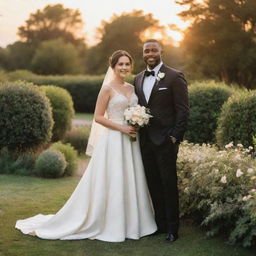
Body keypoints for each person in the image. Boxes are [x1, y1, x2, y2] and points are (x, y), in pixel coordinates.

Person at [15, 50, 157, 242]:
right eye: (120, 64)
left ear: (131, 66)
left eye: (127, 64)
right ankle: (109, 223)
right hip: (114, 140)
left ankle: (133, 223)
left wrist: (137, 121)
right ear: (113, 67)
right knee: (112, 178)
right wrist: (121, 128)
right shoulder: (107, 88)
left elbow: (135, 110)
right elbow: (98, 117)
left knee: (130, 177)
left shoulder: (132, 89)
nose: (123, 67)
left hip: (131, 141)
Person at [134, 39, 189, 242]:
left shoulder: (175, 76)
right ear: (143, 53)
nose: (150, 53)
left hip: (166, 141)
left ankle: (173, 229)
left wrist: (175, 137)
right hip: (145, 141)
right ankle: (160, 225)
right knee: (153, 184)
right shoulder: (138, 78)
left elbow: (183, 110)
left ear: (161, 52)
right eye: (146, 50)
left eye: (153, 50)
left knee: (168, 184)